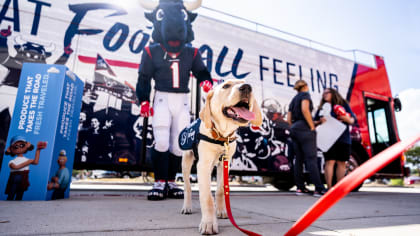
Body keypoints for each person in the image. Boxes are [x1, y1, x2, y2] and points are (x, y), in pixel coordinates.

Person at [136, 0, 213, 201]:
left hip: (183, 100)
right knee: (161, 140)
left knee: (179, 144)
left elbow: (202, 72)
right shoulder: (151, 50)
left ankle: (171, 180)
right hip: (162, 98)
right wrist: (143, 99)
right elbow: (144, 78)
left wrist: (206, 82)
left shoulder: (192, 52)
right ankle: (159, 181)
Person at [287, 80, 327, 197]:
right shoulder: (305, 95)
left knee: (298, 160)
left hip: (295, 129)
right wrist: (311, 126)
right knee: (311, 159)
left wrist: (294, 127)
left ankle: (300, 188)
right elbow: (305, 110)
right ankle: (319, 189)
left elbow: (289, 118)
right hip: (305, 129)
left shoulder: (293, 100)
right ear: (305, 86)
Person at [314, 88, 355, 189]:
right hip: (328, 139)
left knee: (341, 162)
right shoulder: (322, 108)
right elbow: (313, 122)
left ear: (333, 93)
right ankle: (329, 187)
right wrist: (319, 122)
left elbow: (352, 120)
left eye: (327, 92)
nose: (324, 94)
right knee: (330, 161)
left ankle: (339, 188)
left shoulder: (343, 104)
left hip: (343, 139)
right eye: (323, 93)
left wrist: (346, 118)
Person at [4, 136, 47, 200]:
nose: (19, 148)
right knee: (11, 193)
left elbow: (36, 162)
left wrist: (38, 150)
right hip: (14, 178)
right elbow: (15, 167)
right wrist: (28, 162)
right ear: (10, 149)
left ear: (27, 145)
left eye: (22, 145)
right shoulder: (12, 161)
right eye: (15, 147)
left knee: (20, 194)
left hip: (24, 178)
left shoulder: (26, 159)